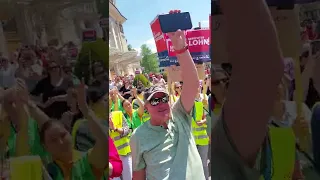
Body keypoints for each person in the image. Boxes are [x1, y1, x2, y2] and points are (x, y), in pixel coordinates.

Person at [211, 0, 310, 179]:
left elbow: (296, 174)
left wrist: (295, 139)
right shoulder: (228, 125)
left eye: (225, 80)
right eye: (217, 82)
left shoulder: (294, 115)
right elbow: (266, 64)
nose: (224, 84)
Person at [130, 10, 204, 180]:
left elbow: (192, 83)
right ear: (146, 107)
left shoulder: (180, 115)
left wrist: (180, 49)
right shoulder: (138, 136)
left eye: (164, 98)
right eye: (154, 101)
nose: (161, 102)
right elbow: (138, 175)